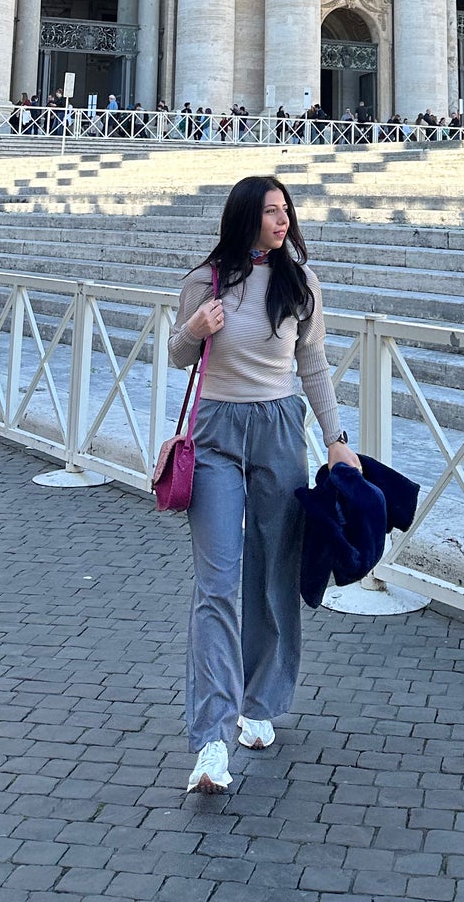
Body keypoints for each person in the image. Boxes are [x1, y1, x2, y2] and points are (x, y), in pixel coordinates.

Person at [169, 175, 361, 794]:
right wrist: (195, 329)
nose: (283, 221)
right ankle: (210, 739)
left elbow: (315, 365)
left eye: (287, 211)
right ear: (246, 217)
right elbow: (175, 354)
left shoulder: (301, 284)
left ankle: (258, 698)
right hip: (217, 433)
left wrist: (336, 439)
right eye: (272, 211)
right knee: (217, 581)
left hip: (280, 429)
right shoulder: (206, 280)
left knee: (275, 571)